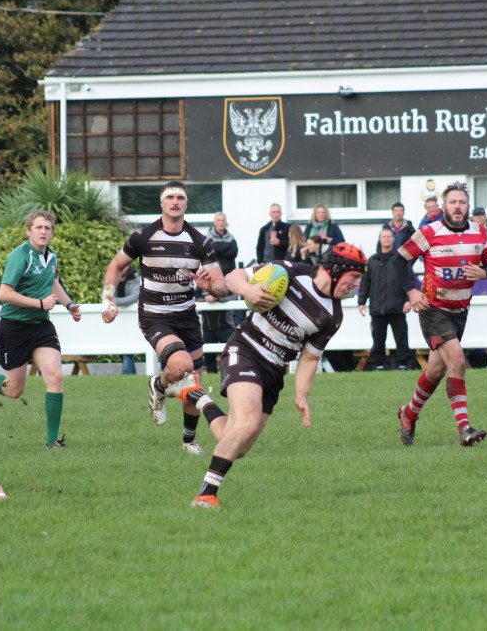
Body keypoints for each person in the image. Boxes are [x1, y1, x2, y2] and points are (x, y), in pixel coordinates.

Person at [190, 243, 367, 508]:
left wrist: (301, 395)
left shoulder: (333, 315)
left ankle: (197, 397)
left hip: (274, 371)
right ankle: (206, 495)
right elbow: (233, 276)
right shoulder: (289, 272)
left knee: (236, 444)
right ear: (336, 270)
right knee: (246, 422)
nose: (356, 285)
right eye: (354, 277)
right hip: (246, 350)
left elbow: (309, 357)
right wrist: (248, 289)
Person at [101, 181, 227, 455]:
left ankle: (188, 440)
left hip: (187, 317)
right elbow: (116, 265)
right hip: (155, 316)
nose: (175, 201)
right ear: (161, 203)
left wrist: (209, 286)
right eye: (169, 197)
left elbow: (221, 286)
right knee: (180, 365)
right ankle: (160, 385)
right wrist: (107, 299)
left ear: (186, 203)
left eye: (180, 197)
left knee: (194, 381)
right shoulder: (143, 237)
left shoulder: (200, 242)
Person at [394, 182, 487, 448]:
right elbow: (398, 260)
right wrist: (412, 292)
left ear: (468, 206)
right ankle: (465, 428)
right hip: (433, 309)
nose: (458, 206)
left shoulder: (480, 233)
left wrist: (485, 273)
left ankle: (409, 413)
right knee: (458, 361)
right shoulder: (429, 231)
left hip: (460, 312)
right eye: (453, 202)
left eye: (462, 202)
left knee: (436, 371)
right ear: (444, 206)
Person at [0, 210, 82, 449]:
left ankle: (52, 442)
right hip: (14, 328)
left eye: (48, 228)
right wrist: (39, 303)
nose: (43, 232)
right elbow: (4, 294)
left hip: (41, 327)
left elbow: (52, 281)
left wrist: (69, 303)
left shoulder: (51, 257)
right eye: (39, 227)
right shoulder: (19, 257)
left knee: (56, 376)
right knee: (14, 391)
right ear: (28, 231)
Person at [358, 229, 413, 371]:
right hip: (377, 308)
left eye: (389, 236)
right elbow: (365, 284)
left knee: (401, 338)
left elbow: (408, 280)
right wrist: (361, 302)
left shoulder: (400, 259)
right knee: (378, 340)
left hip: (398, 306)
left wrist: (409, 300)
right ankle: (379, 365)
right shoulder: (372, 261)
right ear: (380, 239)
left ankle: (403, 364)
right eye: (384, 237)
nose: (386, 239)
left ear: (393, 239)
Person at [113, 263, 140, 374]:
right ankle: (129, 374)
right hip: (119, 321)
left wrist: (116, 302)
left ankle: (128, 374)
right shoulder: (113, 278)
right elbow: (105, 295)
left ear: (127, 267)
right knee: (125, 348)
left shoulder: (135, 278)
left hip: (136, 319)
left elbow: (135, 297)